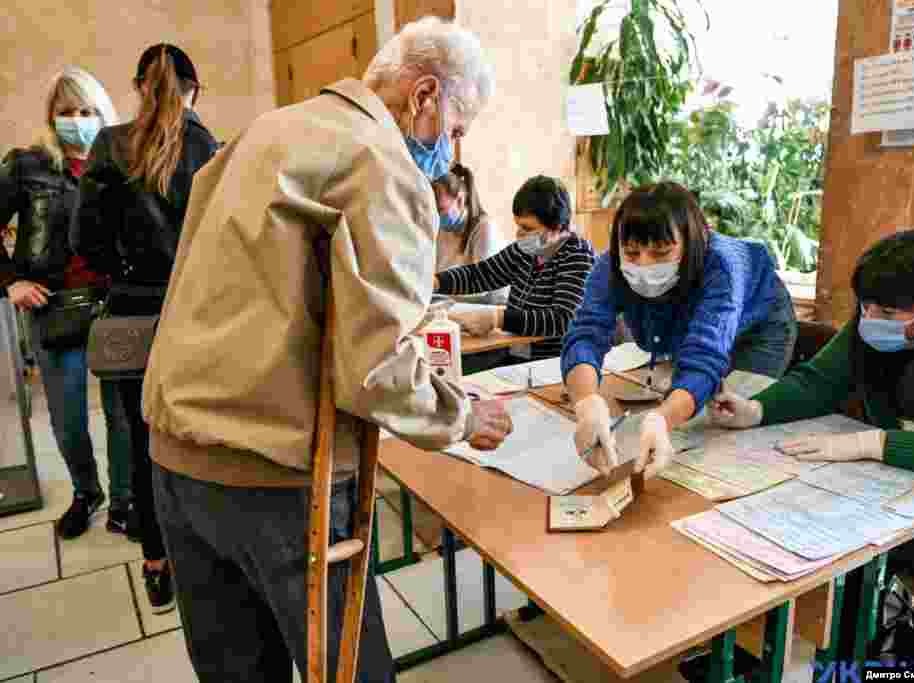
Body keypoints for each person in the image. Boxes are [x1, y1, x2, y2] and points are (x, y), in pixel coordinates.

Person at [138, 17, 511, 682]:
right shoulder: (379, 160)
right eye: (457, 128)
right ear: (426, 94)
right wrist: (460, 415)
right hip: (274, 474)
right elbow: (377, 371)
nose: (453, 154)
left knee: (236, 670)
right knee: (349, 670)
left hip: (176, 456)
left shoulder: (267, 130)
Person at [710, 229, 914, 579]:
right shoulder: (872, 326)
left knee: (859, 550)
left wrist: (872, 444)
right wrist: (756, 410)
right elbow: (818, 382)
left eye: (889, 311)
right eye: (865, 306)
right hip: (909, 485)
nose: (871, 320)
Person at [72, 44, 219, 614]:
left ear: (138, 86)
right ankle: (207, 557)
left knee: (143, 439)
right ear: (195, 89)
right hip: (200, 315)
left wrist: (127, 273)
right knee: (202, 434)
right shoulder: (212, 148)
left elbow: (85, 244)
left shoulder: (109, 145)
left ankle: (157, 564)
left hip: (135, 313)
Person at [562, 181, 797, 476]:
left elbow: (704, 357)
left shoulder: (722, 265)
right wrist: (587, 404)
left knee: (729, 425)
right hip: (701, 331)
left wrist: (662, 419)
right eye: (632, 253)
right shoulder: (609, 264)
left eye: (661, 253)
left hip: (759, 332)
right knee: (688, 410)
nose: (644, 264)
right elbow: (586, 333)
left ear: (691, 243)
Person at [0, 67, 134, 540]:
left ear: (103, 114)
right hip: (53, 308)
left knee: (123, 415)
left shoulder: (121, 162)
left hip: (114, 305)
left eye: (87, 111)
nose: (77, 120)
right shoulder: (28, 164)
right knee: (68, 416)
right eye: (67, 112)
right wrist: (11, 280)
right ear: (51, 117)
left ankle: (124, 503)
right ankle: (86, 493)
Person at [433, 175, 596, 364]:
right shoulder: (526, 251)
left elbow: (562, 318)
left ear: (557, 227)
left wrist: (499, 318)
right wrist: (436, 282)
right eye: (518, 226)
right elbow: (481, 274)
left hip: (556, 362)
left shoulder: (577, 255)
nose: (519, 234)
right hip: (518, 355)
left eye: (527, 228)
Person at [433, 163, 508, 303]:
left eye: (440, 209)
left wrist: (437, 286)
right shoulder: (443, 230)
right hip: (456, 306)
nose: (436, 216)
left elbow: (481, 286)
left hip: (491, 308)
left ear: (460, 200)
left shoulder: (485, 228)